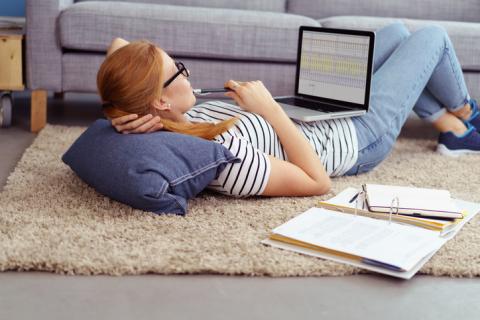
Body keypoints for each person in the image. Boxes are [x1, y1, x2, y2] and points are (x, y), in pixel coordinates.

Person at [97, 22, 480, 198]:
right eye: (178, 70)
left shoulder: (173, 119)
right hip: (355, 140)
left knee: (397, 33)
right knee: (431, 37)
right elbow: (317, 182)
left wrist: (118, 113)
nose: (187, 71)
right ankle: (465, 114)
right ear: (160, 100)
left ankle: (450, 128)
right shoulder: (225, 158)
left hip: (316, 119)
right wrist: (270, 110)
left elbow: (119, 46)